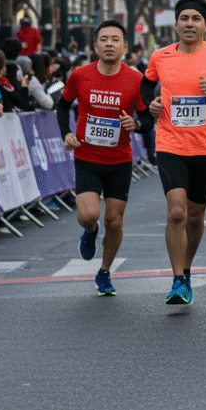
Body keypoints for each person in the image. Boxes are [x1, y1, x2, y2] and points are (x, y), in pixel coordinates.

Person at [141, 0, 206, 305]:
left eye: (195, 19)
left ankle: (186, 270)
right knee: (177, 211)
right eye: (184, 18)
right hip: (170, 144)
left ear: (205, 26)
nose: (189, 24)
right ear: (176, 24)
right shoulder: (161, 57)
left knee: (196, 217)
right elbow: (147, 85)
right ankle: (177, 279)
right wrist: (152, 104)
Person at [58, 20, 153, 295]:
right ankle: (89, 233)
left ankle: (105, 271)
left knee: (114, 221)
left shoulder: (136, 79)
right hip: (87, 157)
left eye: (115, 39)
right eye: (104, 39)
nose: (109, 44)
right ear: (95, 46)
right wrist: (66, 133)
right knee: (89, 215)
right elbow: (63, 106)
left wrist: (135, 125)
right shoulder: (80, 75)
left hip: (119, 160)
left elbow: (147, 119)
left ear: (124, 47)